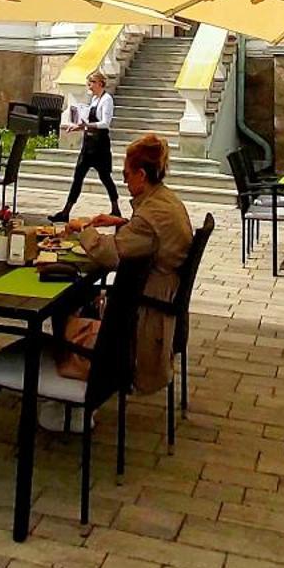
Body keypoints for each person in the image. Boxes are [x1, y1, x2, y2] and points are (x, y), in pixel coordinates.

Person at [75, 133, 194, 392]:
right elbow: (150, 237)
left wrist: (82, 228)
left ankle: (84, 379)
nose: (124, 180)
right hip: (164, 291)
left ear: (141, 174)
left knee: (76, 299)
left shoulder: (152, 213)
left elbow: (109, 253)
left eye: (126, 174)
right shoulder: (164, 199)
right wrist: (121, 223)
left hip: (148, 303)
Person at [49, 72, 119, 221]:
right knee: (78, 176)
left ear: (100, 83)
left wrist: (88, 125)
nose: (89, 86)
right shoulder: (94, 99)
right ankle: (66, 212)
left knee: (105, 176)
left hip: (100, 144)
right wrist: (78, 127)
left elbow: (105, 123)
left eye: (92, 83)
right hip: (88, 144)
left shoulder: (107, 100)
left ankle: (115, 208)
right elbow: (88, 122)